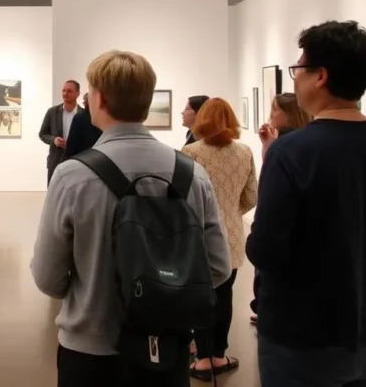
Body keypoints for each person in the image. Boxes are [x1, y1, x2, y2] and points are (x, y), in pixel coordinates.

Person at [31, 50, 231, 387]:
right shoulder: (192, 175)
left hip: (90, 350)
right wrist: (167, 292)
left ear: (101, 99)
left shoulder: (71, 177)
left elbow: (48, 278)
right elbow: (218, 267)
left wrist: (93, 289)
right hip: (167, 350)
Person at [246, 21, 366, 387]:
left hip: (305, 340)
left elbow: (266, 250)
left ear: (320, 77)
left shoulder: (291, 152)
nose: (294, 79)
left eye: (298, 69)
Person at [181, 98, 258, 381]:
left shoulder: (191, 152)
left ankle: (201, 357)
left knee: (201, 295)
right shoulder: (245, 152)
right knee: (224, 295)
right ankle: (218, 354)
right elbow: (252, 196)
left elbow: (181, 195)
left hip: (198, 234)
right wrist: (229, 212)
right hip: (233, 236)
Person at [249, 91, 312, 323]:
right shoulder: (289, 142)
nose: (271, 114)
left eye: (275, 109)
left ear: (288, 113)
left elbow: (271, 190)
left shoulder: (286, 146)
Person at [39, 80, 83, 185]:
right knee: (53, 195)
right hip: (55, 161)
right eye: (63, 90)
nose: (65, 94)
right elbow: (42, 133)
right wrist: (54, 140)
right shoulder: (52, 112)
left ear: (77, 93)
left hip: (77, 162)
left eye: (69, 91)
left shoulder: (84, 114)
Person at [63, 93, 102, 158]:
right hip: (98, 157)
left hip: (80, 158)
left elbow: (72, 143)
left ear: (85, 103)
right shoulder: (102, 117)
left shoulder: (79, 117)